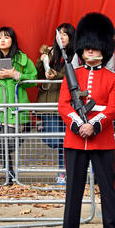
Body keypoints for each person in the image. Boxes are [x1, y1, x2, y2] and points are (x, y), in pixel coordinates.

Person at [53, 12, 115, 228]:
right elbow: (63, 104)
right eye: (88, 48)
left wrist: (93, 125)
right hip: (75, 139)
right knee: (73, 189)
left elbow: (113, 108)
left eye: (96, 48)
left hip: (102, 139)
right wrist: (78, 124)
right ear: (82, 49)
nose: (91, 51)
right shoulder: (73, 76)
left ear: (104, 49)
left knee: (108, 188)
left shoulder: (114, 79)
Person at [0, 26, 37, 185]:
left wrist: (15, 75)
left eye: (6, 37)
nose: (2, 40)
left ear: (13, 39)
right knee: (1, 142)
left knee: (11, 142)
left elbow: (33, 78)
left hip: (16, 103)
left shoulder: (22, 58)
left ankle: (26, 129)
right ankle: (9, 175)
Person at [35, 23, 76, 185]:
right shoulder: (51, 53)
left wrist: (56, 75)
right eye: (59, 34)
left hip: (67, 102)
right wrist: (42, 60)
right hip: (49, 101)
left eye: (65, 34)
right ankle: (41, 130)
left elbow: (72, 75)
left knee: (65, 140)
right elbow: (37, 73)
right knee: (56, 140)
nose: (61, 37)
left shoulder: (75, 55)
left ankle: (62, 172)